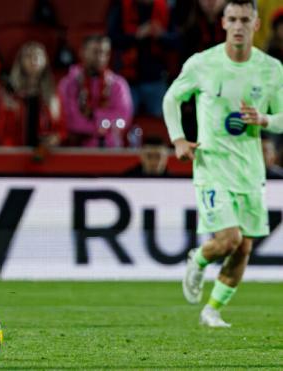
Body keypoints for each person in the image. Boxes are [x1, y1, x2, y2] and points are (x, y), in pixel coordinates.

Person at [163, 0, 283, 327]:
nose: (239, 25)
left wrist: (264, 119)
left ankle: (211, 311)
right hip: (212, 165)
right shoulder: (204, 64)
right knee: (228, 239)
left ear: (257, 25)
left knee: (243, 248)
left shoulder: (272, 69)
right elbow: (172, 98)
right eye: (233, 19)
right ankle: (197, 259)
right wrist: (177, 139)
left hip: (250, 169)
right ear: (224, 23)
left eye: (246, 19)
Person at [58, 35, 133, 148]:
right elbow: (71, 122)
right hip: (76, 150)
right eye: (95, 52)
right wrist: (103, 126)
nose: (100, 57)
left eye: (105, 53)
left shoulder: (118, 84)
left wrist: (93, 114)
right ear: (82, 52)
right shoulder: (68, 84)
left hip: (111, 149)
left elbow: (123, 118)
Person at [0, 41, 66, 153]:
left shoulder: (53, 94)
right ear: (20, 61)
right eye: (29, 56)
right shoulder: (10, 93)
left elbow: (61, 127)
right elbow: (3, 130)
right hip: (15, 151)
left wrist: (57, 137)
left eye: (39, 55)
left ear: (45, 61)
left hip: (45, 152)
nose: (34, 59)